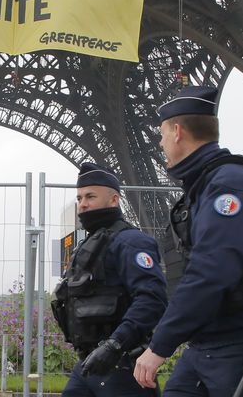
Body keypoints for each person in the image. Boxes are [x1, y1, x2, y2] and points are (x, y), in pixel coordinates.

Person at [133, 85, 243, 396]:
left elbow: (212, 269)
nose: (161, 142)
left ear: (178, 131)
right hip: (207, 346)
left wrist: (160, 345)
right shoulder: (205, 186)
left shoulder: (230, 183)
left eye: (163, 134)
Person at [51, 162, 169, 397]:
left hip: (122, 365)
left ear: (114, 200)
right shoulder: (88, 246)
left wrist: (115, 344)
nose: (83, 204)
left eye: (91, 196)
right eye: (80, 198)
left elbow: (152, 300)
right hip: (89, 363)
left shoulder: (131, 242)